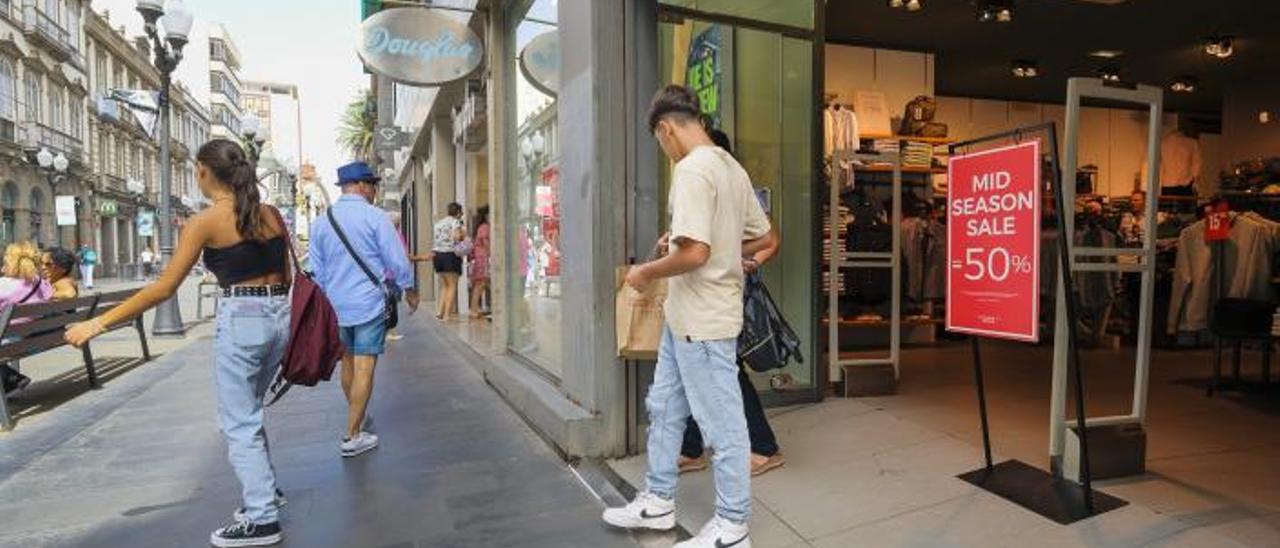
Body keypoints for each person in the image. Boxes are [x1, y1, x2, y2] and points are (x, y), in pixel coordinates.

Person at [67, 139, 292, 547]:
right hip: (279, 316)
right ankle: (266, 492)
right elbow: (287, 275)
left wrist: (98, 324)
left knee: (238, 422)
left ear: (204, 172)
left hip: (242, 318)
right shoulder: (270, 214)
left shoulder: (205, 221)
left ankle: (262, 519)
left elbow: (165, 287)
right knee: (249, 414)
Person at [603, 86, 777, 548]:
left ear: (665, 128)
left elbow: (696, 252)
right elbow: (764, 237)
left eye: (660, 141)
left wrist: (645, 271)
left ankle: (733, 528)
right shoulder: (730, 166)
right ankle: (658, 501)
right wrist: (710, 249)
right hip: (685, 320)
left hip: (702, 322)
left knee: (722, 424)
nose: (664, 150)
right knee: (664, 408)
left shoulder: (692, 169)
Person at [678, 129, 785, 479]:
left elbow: (770, 240)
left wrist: (749, 259)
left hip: (727, 293)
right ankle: (691, 447)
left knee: (725, 369)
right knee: (697, 367)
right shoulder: (701, 188)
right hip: (701, 292)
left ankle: (764, 447)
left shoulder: (738, 189)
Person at [309, 161, 418, 459]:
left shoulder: (321, 222)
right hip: (368, 304)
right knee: (365, 366)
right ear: (362, 186)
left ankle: (357, 416)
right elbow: (395, 260)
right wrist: (409, 288)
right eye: (372, 185)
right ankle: (352, 434)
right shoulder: (375, 217)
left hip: (335, 306)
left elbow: (315, 272)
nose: (374, 190)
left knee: (347, 362)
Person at [0, 242, 53, 396]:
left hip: (8, 342)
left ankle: (11, 378)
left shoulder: (4, 285)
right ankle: (10, 378)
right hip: (33, 341)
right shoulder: (41, 283)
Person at [432, 202, 465, 320]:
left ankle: (440, 312)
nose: (462, 214)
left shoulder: (439, 223)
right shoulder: (455, 222)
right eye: (461, 212)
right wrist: (462, 234)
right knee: (452, 285)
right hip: (449, 254)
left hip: (438, 255)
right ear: (458, 212)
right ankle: (447, 315)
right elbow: (456, 237)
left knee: (445, 285)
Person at [468, 206, 491, 319]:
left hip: (479, 257)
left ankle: (475, 308)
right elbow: (485, 241)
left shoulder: (480, 227)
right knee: (480, 283)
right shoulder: (485, 227)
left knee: (480, 283)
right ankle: (474, 309)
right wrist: (491, 252)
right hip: (483, 258)